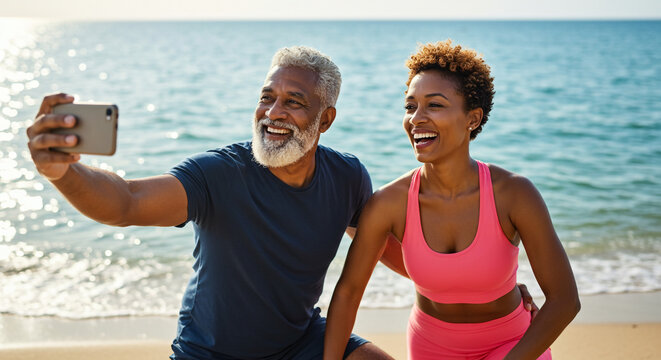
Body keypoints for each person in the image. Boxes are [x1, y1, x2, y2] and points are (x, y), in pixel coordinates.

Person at [27, 45, 537, 360]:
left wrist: (483, 288)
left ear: (326, 119)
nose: (273, 112)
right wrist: (62, 172)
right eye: (267, 96)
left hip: (301, 344)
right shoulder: (219, 173)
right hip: (211, 354)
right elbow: (126, 202)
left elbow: (385, 255)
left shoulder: (345, 176)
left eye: (294, 102)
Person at [323, 40, 580, 360]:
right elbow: (347, 295)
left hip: (511, 346)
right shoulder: (389, 203)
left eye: (435, 105)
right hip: (431, 347)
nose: (416, 118)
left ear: (472, 118)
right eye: (410, 106)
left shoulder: (514, 194)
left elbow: (565, 299)